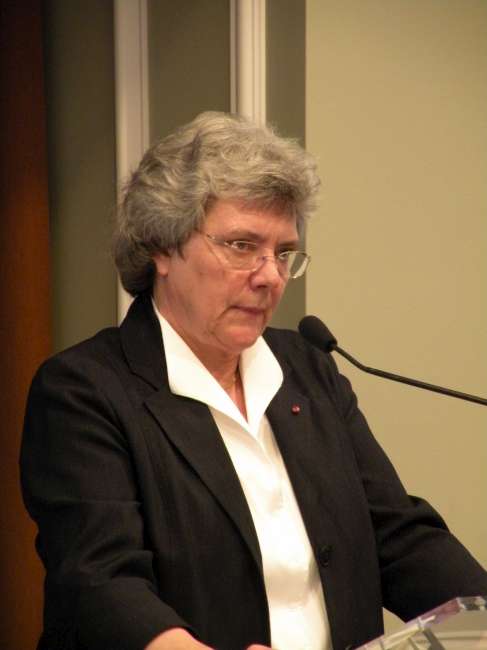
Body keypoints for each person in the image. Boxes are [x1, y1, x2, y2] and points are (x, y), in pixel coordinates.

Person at [21, 112, 487, 650]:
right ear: (162, 247)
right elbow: (100, 581)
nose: (270, 276)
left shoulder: (306, 369)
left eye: (284, 253)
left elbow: (398, 535)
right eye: (242, 246)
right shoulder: (84, 391)